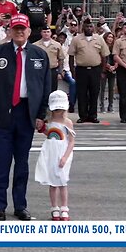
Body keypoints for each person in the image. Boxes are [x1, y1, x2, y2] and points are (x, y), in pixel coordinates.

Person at [0, 13, 51, 221]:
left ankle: (20, 205)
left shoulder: (39, 54)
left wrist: (41, 115)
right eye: (16, 28)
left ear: (29, 31)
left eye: (23, 29)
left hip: (27, 114)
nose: (19, 32)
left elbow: (46, 88)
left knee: (22, 164)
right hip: (3, 114)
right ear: (10, 30)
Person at [35, 90, 75, 221]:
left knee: (62, 181)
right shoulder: (50, 120)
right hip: (51, 152)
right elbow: (51, 134)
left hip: (62, 152)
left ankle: (64, 207)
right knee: (53, 182)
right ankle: (54, 208)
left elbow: (71, 142)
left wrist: (65, 157)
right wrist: (42, 129)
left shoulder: (67, 122)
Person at [68, 19, 110, 124]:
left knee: (94, 93)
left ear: (94, 28)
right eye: (87, 26)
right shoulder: (76, 39)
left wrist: (103, 71)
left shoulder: (99, 39)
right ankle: (83, 116)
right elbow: (71, 56)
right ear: (83, 28)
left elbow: (105, 56)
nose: (89, 28)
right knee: (82, 94)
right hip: (81, 70)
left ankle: (93, 116)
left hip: (95, 69)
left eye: (91, 26)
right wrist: (73, 72)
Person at [33, 25, 64, 92]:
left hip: (52, 70)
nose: (46, 34)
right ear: (41, 33)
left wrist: (60, 72)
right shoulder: (35, 45)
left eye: (48, 32)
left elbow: (61, 59)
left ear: (51, 33)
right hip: (40, 71)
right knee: (40, 89)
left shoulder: (57, 45)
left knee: (53, 90)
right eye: (44, 32)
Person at [56, 32, 77, 113]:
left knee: (73, 82)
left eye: (63, 38)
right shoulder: (53, 46)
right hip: (53, 70)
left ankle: (71, 104)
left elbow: (67, 62)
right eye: (60, 37)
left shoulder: (66, 49)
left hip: (65, 70)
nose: (61, 39)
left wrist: (63, 71)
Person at [100, 32, 117, 113]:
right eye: (109, 37)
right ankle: (102, 106)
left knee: (111, 89)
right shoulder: (102, 47)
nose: (110, 39)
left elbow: (117, 58)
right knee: (102, 89)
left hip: (113, 70)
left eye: (111, 37)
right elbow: (101, 58)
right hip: (103, 70)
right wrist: (108, 66)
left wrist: (114, 67)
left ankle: (110, 106)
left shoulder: (114, 47)